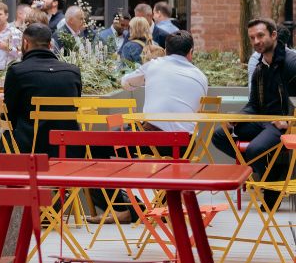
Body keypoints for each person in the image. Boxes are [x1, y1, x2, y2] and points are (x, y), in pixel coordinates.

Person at [211, 18, 296, 205]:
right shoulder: (259, 66)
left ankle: (270, 180)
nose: (256, 41)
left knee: (254, 149)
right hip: (261, 121)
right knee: (219, 135)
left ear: (273, 35)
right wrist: (237, 117)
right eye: (252, 38)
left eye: (260, 35)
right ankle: (272, 174)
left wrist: (290, 121)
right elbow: (253, 104)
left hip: (282, 123)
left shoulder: (291, 62)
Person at [0, 22, 81, 155]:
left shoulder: (17, 72)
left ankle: (1, 174)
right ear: (50, 45)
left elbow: (9, 115)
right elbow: (74, 108)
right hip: (68, 149)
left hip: (28, 148)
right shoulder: (73, 72)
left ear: (25, 43)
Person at [120, 30, 207, 134]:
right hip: (187, 143)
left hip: (155, 140)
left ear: (165, 51)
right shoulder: (201, 77)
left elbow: (126, 82)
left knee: (107, 142)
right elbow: (198, 109)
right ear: (190, 52)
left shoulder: (153, 66)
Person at [0, 1, 22, 72]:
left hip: (8, 72)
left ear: (6, 15)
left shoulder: (15, 33)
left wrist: (8, 48)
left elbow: (20, 54)